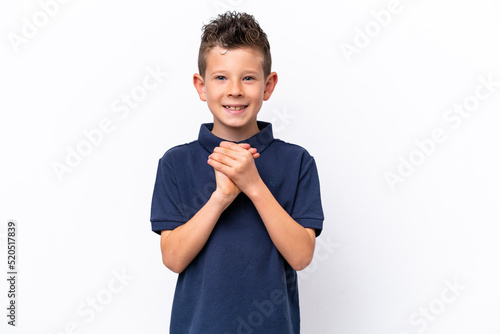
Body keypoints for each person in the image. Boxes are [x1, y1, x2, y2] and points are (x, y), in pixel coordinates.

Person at [150, 11, 324, 333]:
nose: (235, 90)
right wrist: (220, 198)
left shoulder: (297, 161)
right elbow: (173, 259)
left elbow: (301, 257)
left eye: (248, 77)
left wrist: (254, 184)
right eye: (220, 78)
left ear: (268, 85)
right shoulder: (176, 163)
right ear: (201, 86)